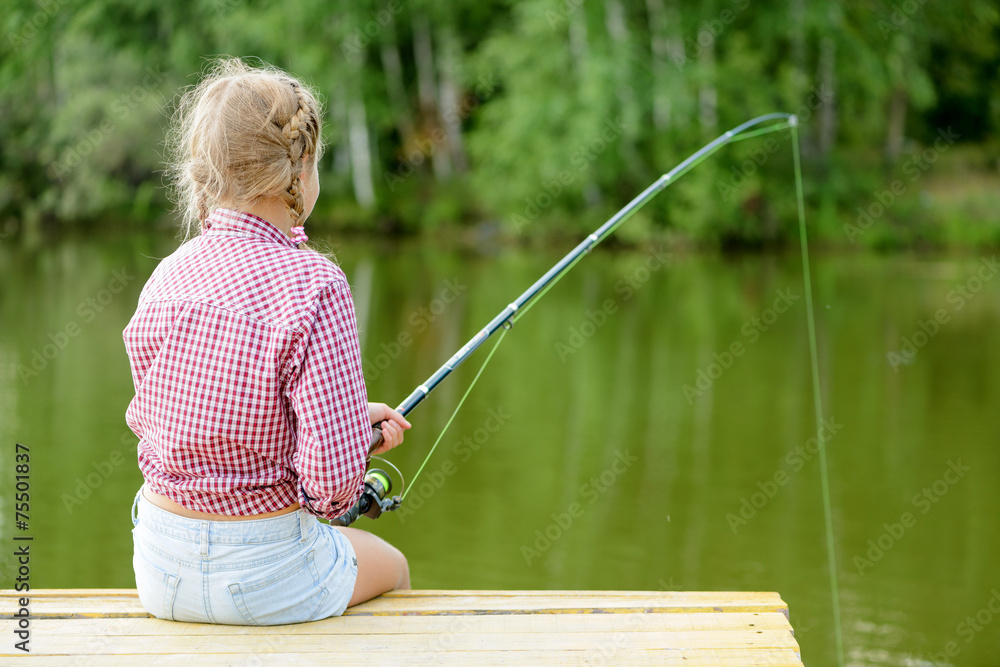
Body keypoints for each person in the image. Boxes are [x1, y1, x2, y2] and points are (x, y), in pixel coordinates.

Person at [123, 58, 411, 625]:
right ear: (300, 172)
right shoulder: (316, 284)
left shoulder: (167, 275)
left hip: (158, 571)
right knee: (394, 567)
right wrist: (354, 442)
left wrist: (349, 425)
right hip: (266, 577)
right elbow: (330, 493)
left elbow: (187, 429)